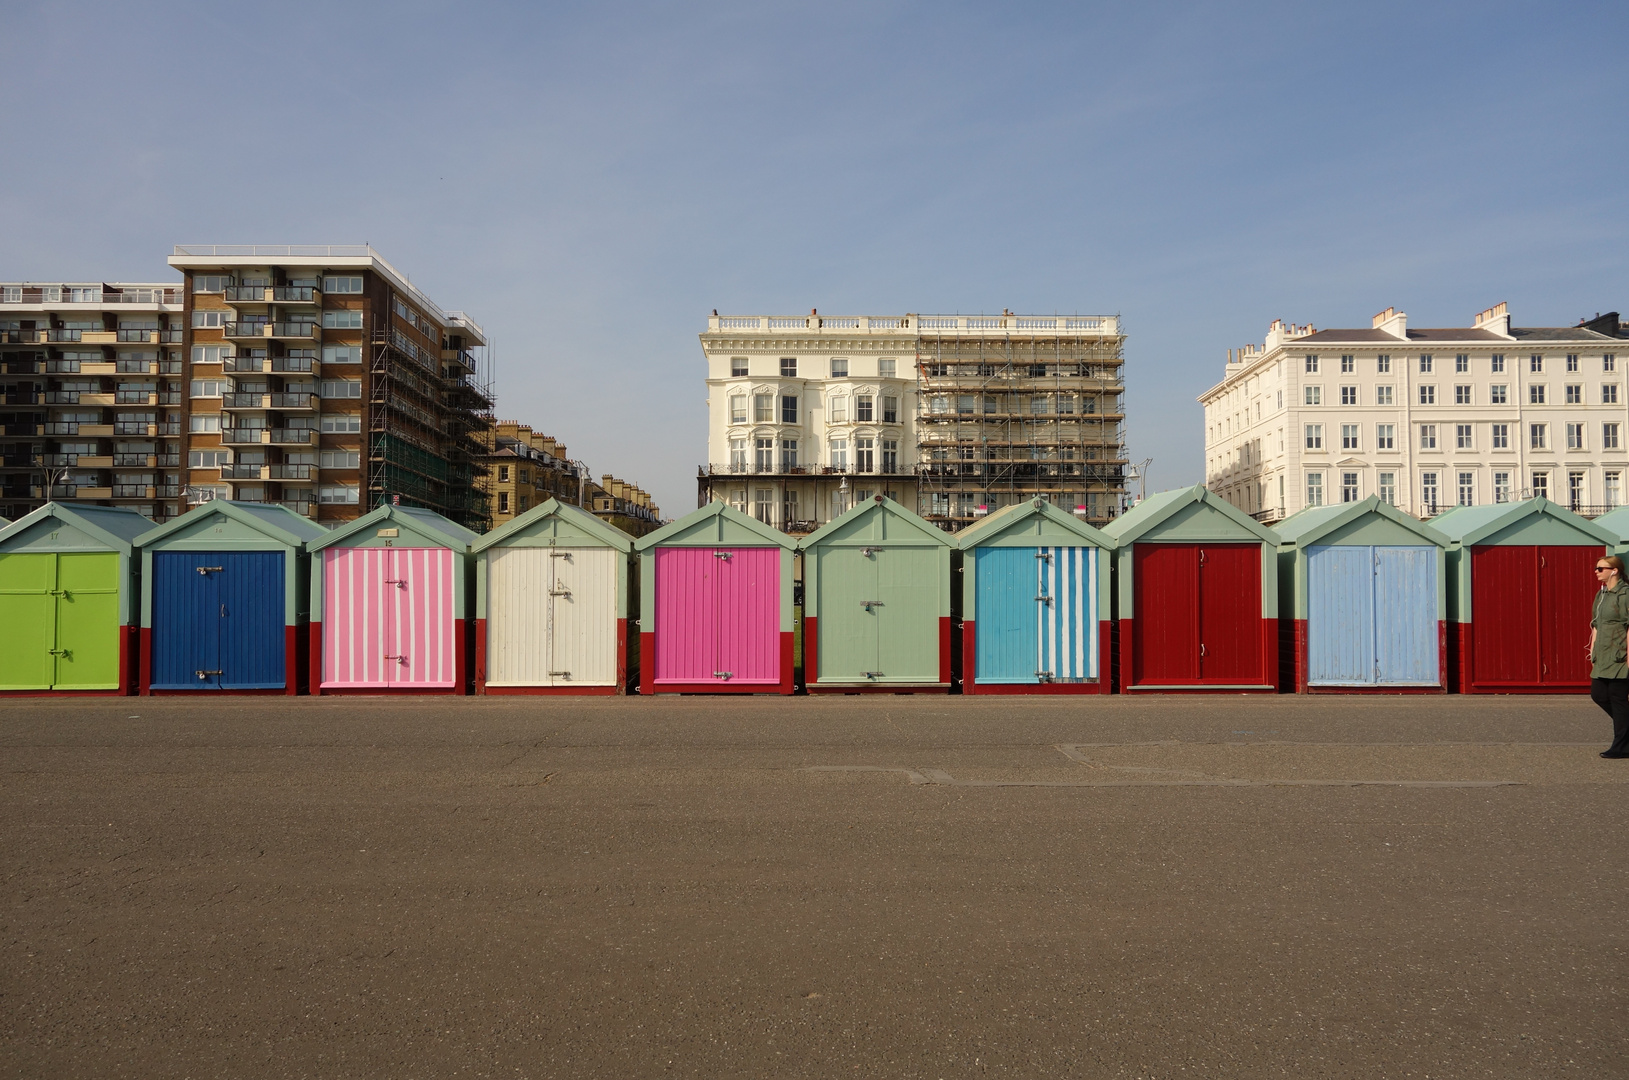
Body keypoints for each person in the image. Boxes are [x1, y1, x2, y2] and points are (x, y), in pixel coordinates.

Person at [1587, 554, 1629, 758]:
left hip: (1620, 655)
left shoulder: (1625, 594)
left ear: (1614, 571)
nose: (1596, 571)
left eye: (1600, 568)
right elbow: (1595, 624)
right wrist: (1592, 650)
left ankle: (1621, 746)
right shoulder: (1601, 595)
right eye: (1596, 568)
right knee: (1598, 695)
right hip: (1602, 655)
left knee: (1618, 698)